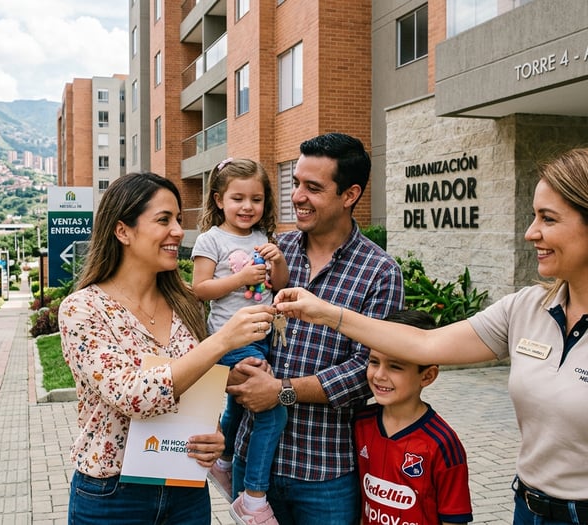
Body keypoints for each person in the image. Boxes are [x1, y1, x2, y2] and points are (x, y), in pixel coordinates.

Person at [273, 147, 588, 525]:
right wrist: (326, 313)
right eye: (533, 216)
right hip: (529, 508)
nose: (530, 232)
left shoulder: (379, 269)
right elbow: (423, 344)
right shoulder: (527, 307)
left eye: (548, 219)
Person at [58, 172, 275, 525]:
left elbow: (192, 381)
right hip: (112, 496)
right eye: (164, 220)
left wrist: (215, 434)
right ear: (122, 230)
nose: (177, 230)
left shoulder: (185, 301)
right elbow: (135, 396)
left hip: (185, 487)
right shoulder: (82, 309)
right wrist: (223, 340)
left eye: (178, 220)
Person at [227, 132, 405, 525]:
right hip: (252, 459)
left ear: (349, 194)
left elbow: (369, 371)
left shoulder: (380, 272)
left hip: (323, 472)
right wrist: (236, 370)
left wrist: (281, 392)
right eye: (295, 183)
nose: (297, 196)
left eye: (313, 187)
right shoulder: (273, 252)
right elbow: (236, 320)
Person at [191, 158, 289, 523]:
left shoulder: (263, 239)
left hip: (263, 337)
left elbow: (277, 285)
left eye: (256, 199)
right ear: (219, 200)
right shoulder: (210, 239)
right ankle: (253, 497)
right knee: (273, 414)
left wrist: (276, 261)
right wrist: (241, 276)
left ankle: (224, 460)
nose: (247, 207)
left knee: (236, 407)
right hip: (231, 339)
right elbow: (200, 289)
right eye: (237, 198)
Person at [355, 309, 472, 525]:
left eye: (395, 366)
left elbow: (454, 519)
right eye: (373, 362)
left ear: (427, 376)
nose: (379, 375)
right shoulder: (360, 424)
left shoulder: (443, 443)